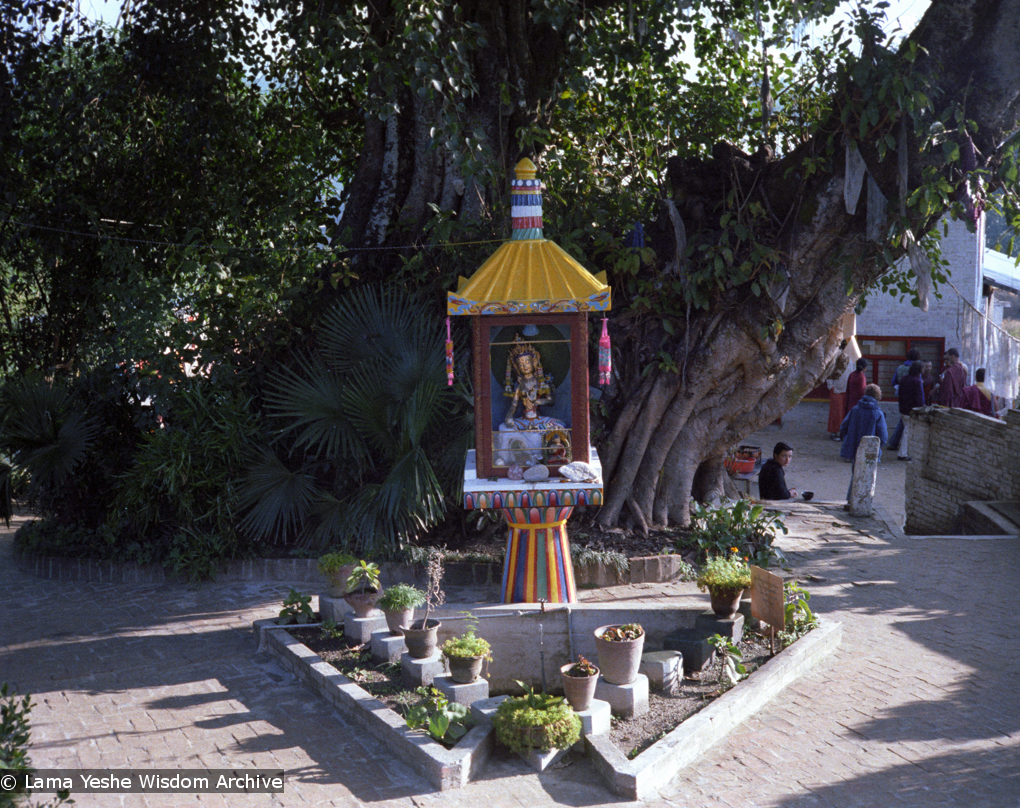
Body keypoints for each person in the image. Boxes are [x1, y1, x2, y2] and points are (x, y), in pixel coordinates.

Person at [839, 384, 888, 503]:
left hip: (854, 448)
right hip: (870, 452)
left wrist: (848, 439)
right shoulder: (877, 413)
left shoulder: (855, 410)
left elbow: (843, 427)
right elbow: (883, 436)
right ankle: (859, 502)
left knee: (855, 475)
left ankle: (851, 500)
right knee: (867, 478)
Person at [887, 348, 921, 452]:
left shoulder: (900, 368)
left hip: (901, 395)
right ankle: (898, 445)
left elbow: (893, 382)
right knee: (906, 422)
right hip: (912, 398)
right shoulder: (916, 369)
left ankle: (893, 442)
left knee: (903, 420)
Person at [895, 362, 925, 460]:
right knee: (907, 432)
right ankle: (903, 454)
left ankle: (904, 452)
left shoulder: (904, 379)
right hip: (912, 410)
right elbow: (919, 398)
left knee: (906, 430)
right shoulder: (917, 382)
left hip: (903, 408)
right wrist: (921, 409)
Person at [826, 347, 851, 440]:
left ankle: (843, 432)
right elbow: (828, 374)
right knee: (836, 412)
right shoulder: (834, 360)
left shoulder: (851, 360)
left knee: (845, 412)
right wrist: (831, 386)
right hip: (836, 389)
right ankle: (834, 432)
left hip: (847, 390)